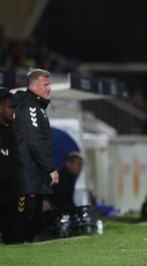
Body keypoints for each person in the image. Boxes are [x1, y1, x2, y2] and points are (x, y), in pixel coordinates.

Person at [12, 68, 59, 243]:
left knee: (33, 220)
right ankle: (17, 254)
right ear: (33, 86)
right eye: (45, 84)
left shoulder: (37, 106)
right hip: (26, 175)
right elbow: (34, 141)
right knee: (25, 219)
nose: (49, 88)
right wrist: (51, 168)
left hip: (33, 174)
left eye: (50, 84)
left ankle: (25, 251)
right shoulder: (29, 107)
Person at [0, 88, 16, 244]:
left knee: (12, 240)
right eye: (10, 107)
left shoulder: (13, 132)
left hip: (11, 193)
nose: (13, 111)